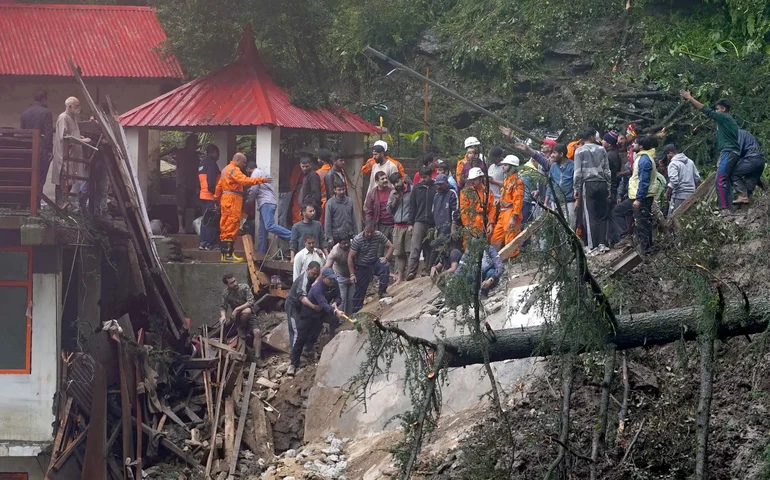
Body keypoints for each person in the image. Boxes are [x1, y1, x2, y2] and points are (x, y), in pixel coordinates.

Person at [680, 91, 740, 211]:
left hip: (728, 152)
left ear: (723, 109)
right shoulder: (729, 121)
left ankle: (724, 209)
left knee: (720, 180)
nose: (716, 111)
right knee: (725, 180)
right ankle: (728, 208)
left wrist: (690, 98)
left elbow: (706, 110)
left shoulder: (724, 117)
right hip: (729, 152)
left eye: (717, 109)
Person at [288, 267, 344, 376]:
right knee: (301, 337)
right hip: (309, 313)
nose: (332, 281)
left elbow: (339, 297)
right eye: (330, 279)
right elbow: (323, 303)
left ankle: (331, 345)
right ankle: (293, 364)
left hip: (322, 312)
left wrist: (336, 303)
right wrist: (334, 310)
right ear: (324, 278)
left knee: (331, 322)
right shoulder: (317, 288)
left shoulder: (334, 284)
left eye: (333, 279)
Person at [215, 152, 266, 262]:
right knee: (231, 226)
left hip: (226, 199)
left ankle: (225, 254)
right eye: (243, 162)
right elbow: (244, 180)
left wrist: (218, 200)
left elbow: (218, 187)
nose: (244, 165)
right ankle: (228, 255)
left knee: (225, 227)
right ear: (237, 160)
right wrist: (261, 180)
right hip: (233, 199)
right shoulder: (234, 170)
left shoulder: (225, 170)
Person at [612, 135, 658, 254]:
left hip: (641, 198)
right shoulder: (642, 158)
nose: (633, 145)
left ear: (641, 146)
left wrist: (639, 199)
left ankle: (646, 251)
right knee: (640, 221)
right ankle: (638, 243)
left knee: (643, 224)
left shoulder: (644, 160)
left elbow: (644, 181)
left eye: (635, 143)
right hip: (638, 197)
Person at [573, 127, 612, 254]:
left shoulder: (579, 151)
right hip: (601, 183)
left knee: (590, 216)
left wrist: (576, 188)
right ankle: (602, 243)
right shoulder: (602, 149)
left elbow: (577, 172)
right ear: (591, 137)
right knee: (601, 215)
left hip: (587, 184)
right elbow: (607, 170)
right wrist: (608, 186)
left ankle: (592, 246)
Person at [52, 97, 91, 206]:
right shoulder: (63, 117)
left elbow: (71, 133)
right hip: (65, 155)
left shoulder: (72, 117)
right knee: (63, 182)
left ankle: (62, 206)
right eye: (76, 106)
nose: (79, 108)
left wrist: (79, 136)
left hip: (72, 154)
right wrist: (81, 140)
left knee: (68, 182)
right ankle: (59, 206)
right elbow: (65, 137)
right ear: (69, 106)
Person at [246, 161, 292, 254]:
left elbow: (254, 189)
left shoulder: (255, 173)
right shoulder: (264, 173)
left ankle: (292, 236)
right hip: (268, 202)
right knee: (262, 231)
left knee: (269, 226)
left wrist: (249, 200)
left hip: (266, 203)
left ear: (248, 169)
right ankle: (261, 253)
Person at [348, 221, 394, 312]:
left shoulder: (378, 235)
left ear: (374, 230)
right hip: (361, 266)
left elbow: (391, 246)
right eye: (367, 232)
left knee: (385, 266)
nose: (369, 234)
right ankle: (356, 312)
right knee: (360, 289)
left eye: (371, 232)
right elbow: (350, 257)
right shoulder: (358, 240)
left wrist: (386, 257)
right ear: (364, 230)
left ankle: (382, 292)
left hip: (373, 262)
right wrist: (352, 274)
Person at [219, 273, 263, 364]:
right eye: (231, 283)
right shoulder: (226, 293)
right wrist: (223, 316)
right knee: (245, 312)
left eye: (235, 281)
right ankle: (242, 327)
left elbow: (251, 301)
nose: (234, 284)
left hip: (250, 316)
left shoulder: (244, 287)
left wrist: (237, 309)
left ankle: (257, 358)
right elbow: (223, 307)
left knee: (257, 332)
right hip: (237, 319)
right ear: (227, 285)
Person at [162, 134, 200, 233]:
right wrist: (170, 150)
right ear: (189, 143)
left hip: (192, 183)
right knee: (181, 207)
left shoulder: (196, 156)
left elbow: (197, 170)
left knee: (192, 206)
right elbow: (160, 155)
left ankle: (189, 228)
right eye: (194, 143)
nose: (196, 145)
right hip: (182, 183)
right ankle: (180, 227)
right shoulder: (180, 152)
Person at [20, 90, 54, 196]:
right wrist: (49, 150)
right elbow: (48, 133)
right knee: (40, 177)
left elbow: (22, 132)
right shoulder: (46, 112)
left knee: (29, 177)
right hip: (41, 148)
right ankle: (37, 203)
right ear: (45, 99)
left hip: (27, 148)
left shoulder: (25, 113)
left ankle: (27, 203)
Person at [407, 165, 436, 280]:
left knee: (430, 247)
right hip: (418, 221)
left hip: (431, 222)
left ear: (430, 176)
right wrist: (410, 223)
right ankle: (411, 271)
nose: (423, 180)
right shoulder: (416, 188)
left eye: (425, 177)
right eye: (421, 177)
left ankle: (428, 269)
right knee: (415, 246)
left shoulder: (435, 188)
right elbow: (412, 206)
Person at [490, 155, 525, 250]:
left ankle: (512, 261)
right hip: (503, 212)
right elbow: (506, 196)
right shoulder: (506, 180)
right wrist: (499, 200)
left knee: (510, 239)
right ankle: (493, 259)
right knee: (495, 237)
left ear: (512, 167)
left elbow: (518, 201)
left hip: (511, 212)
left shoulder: (517, 181)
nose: (503, 167)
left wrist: (514, 217)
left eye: (505, 165)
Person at [286, 261, 321, 353]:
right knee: (295, 330)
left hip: (301, 306)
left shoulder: (314, 279)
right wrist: (314, 307)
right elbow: (302, 298)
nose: (315, 276)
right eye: (313, 273)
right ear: (308, 269)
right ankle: (294, 356)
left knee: (305, 327)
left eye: (317, 274)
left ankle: (305, 350)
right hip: (293, 305)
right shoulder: (303, 280)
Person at [387, 172, 413, 283]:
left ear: (402, 179)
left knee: (409, 251)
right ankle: (400, 277)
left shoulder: (411, 190)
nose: (396, 185)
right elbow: (389, 210)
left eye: (397, 181)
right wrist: (395, 200)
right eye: (394, 183)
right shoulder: (393, 193)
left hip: (409, 225)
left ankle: (411, 274)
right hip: (397, 226)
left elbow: (415, 207)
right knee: (399, 253)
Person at [459, 167, 497, 243]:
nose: (473, 181)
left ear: (480, 179)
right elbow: (464, 211)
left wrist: (491, 224)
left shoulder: (488, 192)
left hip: (485, 222)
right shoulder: (466, 193)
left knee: (486, 247)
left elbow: (492, 209)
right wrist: (467, 225)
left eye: (475, 179)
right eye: (471, 180)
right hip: (472, 223)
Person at [364, 171, 395, 254]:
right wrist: (369, 226)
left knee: (394, 249)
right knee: (379, 250)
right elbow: (369, 212)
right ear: (377, 182)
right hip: (380, 225)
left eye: (386, 178)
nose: (385, 180)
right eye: (382, 179)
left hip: (393, 224)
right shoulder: (372, 194)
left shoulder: (392, 191)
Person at [547, 144, 576, 228]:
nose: (552, 155)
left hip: (569, 202)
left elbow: (577, 184)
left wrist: (577, 200)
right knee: (557, 228)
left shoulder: (573, 166)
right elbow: (550, 184)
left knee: (570, 228)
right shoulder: (553, 166)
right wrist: (546, 201)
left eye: (554, 153)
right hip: (555, 202)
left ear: (561, 154)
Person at [198, 144, 221, 250]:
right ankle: (208, 243)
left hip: (203, 195)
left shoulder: (202, 163)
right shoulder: (211, 163)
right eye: (218, 153)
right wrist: (215, 195)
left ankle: (203, 242)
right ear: (214, 152)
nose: (219, 155)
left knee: (205, 219)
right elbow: (211, 181)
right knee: (211, 220)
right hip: (210, 196)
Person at [733, 129, 766, 203]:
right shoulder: (745, 134)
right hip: (760, 161)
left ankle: (742, 196)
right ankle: (749, 207)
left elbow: (737, 151)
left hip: (752, 159)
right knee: (748, 190)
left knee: (733, 173)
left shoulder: (738, 133)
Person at [324, 237, 354, 314]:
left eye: (347, 242)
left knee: (351, 299)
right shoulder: (335, 251)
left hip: (352, 275)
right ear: (339, 243)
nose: (346, 245)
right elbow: (327, 266)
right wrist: (319, 279)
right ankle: (339, 319)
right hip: (340, 276)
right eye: (344, 243)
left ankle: (349, 317)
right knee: (342, 299)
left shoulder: (354, 244)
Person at [324, 180, 355, 246]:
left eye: (343, 189)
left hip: (349, 235)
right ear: (334, 190)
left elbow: (353, 218)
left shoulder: (349, 201)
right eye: (339, 190)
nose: (342, 192)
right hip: (336, 237)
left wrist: (355, 234)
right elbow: (327, 222)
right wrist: (329, 237)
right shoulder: (330, 203)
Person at [298, 156, 322, 220]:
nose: (305, 168)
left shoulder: (313, 175)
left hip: (311, 209)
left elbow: (316, 193)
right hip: (306, 208)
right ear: (300, 165)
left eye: (307, 166)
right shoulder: (306, 175)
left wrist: (311, 209)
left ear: (311, 165)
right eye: (303, 167)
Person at [602, 131, 622, 201]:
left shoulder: (609, 155)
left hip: (611, 186)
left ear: (609, 144)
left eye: (604, 140)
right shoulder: (614, 153)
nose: (602, 141)